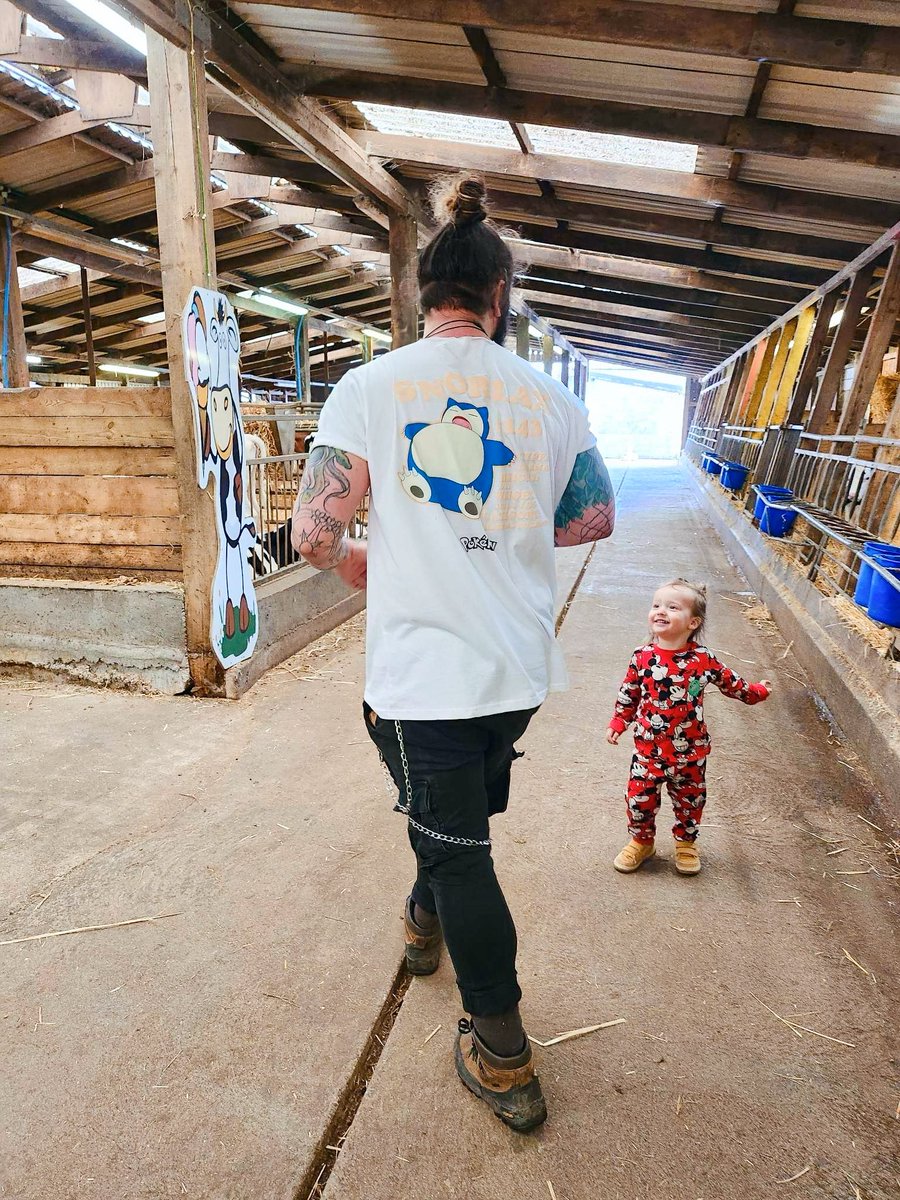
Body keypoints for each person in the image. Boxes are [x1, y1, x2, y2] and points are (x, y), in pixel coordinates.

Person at [291, 176, 615, 1133]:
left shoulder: (369, 388)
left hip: (422, 675)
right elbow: (594, 514)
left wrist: (359, 556)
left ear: (423, 295)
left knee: (461, 848)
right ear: (500, 295)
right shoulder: (550, 396)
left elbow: (312, 532)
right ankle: (423, 910)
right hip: (515, 672)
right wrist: (508, 536)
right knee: (450, 818)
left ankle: (503, 1054)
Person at [607, 579, 771, 876]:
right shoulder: (641, 656)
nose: (661, 611)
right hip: (648, 749)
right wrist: (619, 721)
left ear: (692, 622)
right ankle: (641, 842)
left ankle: (685, 843)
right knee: (638, 799)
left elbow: (731, 683)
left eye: (672, 607)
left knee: (690, 802)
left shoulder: (702, 659)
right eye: (656, 605)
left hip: (690, 752)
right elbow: (629, 692)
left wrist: (757, 691)